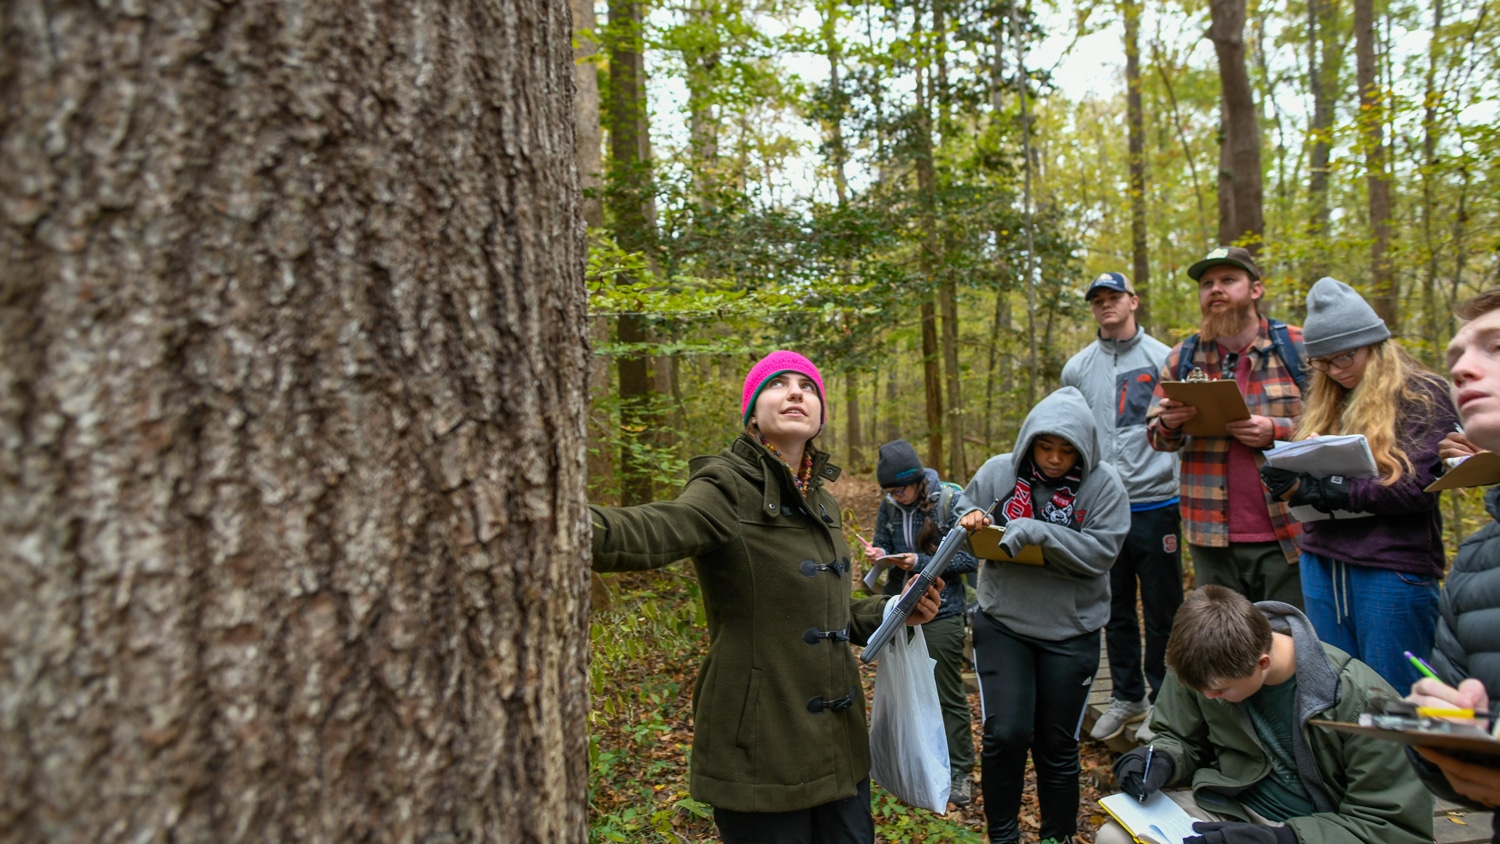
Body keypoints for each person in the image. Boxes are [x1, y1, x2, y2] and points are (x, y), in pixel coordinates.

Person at [589, 350, 942, 844]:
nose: (797, 391)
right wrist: (563, 523)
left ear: (820, 418)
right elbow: (655, 528)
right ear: (753, 412)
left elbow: (828, 612)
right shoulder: (725, 484)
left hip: (839, 749)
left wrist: (895, 610)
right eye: (778, 384)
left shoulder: (821, 499)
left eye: (808, 387)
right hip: (762, 747)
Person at [1096, 585, 1433, 844]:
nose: (1210, 698)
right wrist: (1159, 760)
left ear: (1262, 664)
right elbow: (1178, 736)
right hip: (1231, 805)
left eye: (1220, 691)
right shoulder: (1203, 661)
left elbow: (1391, 825)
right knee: (1114, 837)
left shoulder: (1364, 700)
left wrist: (1282, 839)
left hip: (1318, 831)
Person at [1255, 278, 1458, 691]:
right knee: (1338, 690)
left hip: (1391, 566)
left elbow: (1415, 489)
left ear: (1374, 345)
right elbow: (1308, 479)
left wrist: (1329, 490)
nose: (1335, 370)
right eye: (1322, 362)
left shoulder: (1423, 395)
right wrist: (1289, 479)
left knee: (1396, 693)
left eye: (1345, 357)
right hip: (1323, 561)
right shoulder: (1327, 397)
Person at [953, 386, 1130, 844]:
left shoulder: (1103, 485)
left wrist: (1038, 533)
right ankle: (1004, 837)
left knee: (1057, 746)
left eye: (1067, 450)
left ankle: (1057, 837)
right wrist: (970, 515)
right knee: (1006, 735)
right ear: (1029, 442)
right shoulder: (1000, 472)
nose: (1054, 459)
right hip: (1004, 621)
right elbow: (963, 508)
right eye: (1045, 447)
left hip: (1071, 631)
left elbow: (1100, 553)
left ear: (1084, 450)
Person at [1061, 272, 1184, 744]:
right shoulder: (1077, 368)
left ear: (1133, 301)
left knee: (1163, 609)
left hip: (1157, 501)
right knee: (1112, 606)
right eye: (1097, 300)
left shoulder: (1165, 359)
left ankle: (1167, 700)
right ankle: (1128, 695)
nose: (1105, 305)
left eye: (1114, 297)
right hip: (1101, 506)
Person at [1147, 246, 1306, 608]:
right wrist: (1170, 422)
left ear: (1255, 289)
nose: (1215, 289)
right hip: (1210, 535)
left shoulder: (1296, 346)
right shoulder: (1182, 357)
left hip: (1287, 529)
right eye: (1207, 283)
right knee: (1223, 652)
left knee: (1290, 645)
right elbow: (1156, 435)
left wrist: (1276, 430)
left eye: (1228, 280)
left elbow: (1334, 426)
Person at [1405, 289, 1500, 841]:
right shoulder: (1476, 565)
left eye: (1496, 347)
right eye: (1456, 356)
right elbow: (1443, 773)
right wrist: (1433, 733)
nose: (1462, 368)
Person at [869, 439, 979, 807]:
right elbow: (881, 540)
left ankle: (961, 770)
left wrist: (917, 561)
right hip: (898, 610)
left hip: (943, 611)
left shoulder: (949, 500)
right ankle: (914, 762)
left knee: (947, 694)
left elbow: (969, 560)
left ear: (916, 481)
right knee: (906, 691)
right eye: (889, 491)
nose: (896, 497)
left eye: (900, 489)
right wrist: (881, 555)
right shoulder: (889, 505)